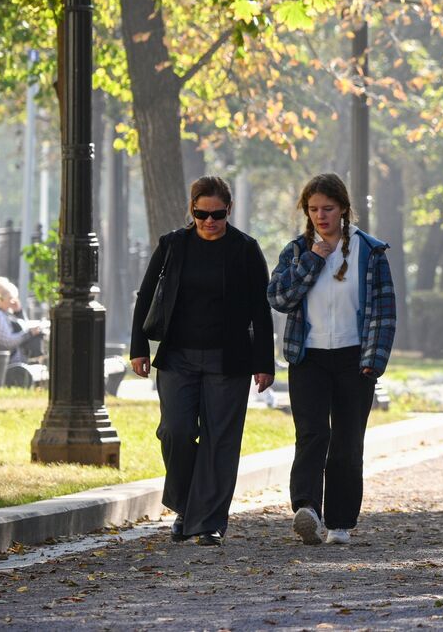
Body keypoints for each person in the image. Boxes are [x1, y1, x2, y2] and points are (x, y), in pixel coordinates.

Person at [130, 176, 276, 547]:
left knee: (220, 441)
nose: (209, 221)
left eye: (218, 214)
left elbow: (261, 310)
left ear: (230, 210)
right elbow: (147, 295)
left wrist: (265, 362)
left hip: (230, 361)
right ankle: (186, 506)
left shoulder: (245, 249)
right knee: (175, 431)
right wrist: (139, 347)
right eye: (201, 213)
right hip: (178, 356)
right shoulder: (172, 246)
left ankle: (206, 521)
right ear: (191, 209)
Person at [268, 173, 396, 546]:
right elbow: (278, 298)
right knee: (311, 434)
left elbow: (384, 312)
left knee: (347, 440)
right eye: (313, 209)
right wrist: (313, 259)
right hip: (308, 356)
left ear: (343, 208)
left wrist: (375, 359)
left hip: (355, 358)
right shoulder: (296, 251)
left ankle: (340, 522)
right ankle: (307, 508)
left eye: (328, 209)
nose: (321, 216)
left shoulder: (370, 252)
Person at [0, 277, 44, 364]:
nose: (12, 302)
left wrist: (19, 312)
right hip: (9, 362)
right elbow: (8, 342)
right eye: (10, 298)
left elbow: (23, 327)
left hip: (12, 358)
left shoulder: (1, 313)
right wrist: (29, 333)